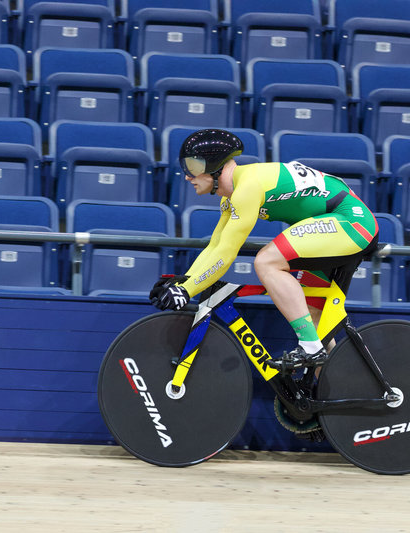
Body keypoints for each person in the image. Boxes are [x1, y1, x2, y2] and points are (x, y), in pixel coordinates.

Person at [150, 128, 379, 368]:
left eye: (192, 166)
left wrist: (186, 291)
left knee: (267, 261)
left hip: (352, 223)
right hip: (334, 225)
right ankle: (325, 393)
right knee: (312, 319)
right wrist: (185, 284)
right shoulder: (232, 196)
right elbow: (216, 247)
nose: (187, 176)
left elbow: (226, 254)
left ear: (214, 165)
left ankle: (311, 350)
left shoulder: (247, 188)